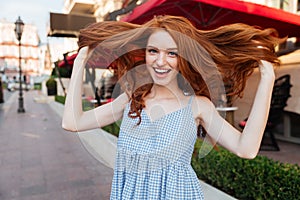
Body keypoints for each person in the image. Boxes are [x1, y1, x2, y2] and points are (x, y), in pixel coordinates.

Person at [62, 15, 285, 199]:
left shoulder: (197, 106)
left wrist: (267, 79)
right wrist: (81, 62)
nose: (160, 61)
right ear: (145, 54)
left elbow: (245, 149)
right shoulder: (130, 100)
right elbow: (72, 122)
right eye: (153, 51)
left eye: (172, 53)